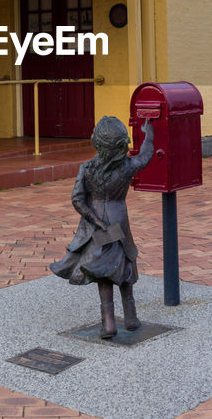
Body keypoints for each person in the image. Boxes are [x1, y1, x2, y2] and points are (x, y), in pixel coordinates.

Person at [50, 115, 155, 338]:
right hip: (119, 221)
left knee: (104, 268)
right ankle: (131, 317)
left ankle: (108, 323)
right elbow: (145, 156)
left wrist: (95, 221)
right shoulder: (127, 166)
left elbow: (77, 199)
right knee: (125, 262)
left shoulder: (87, 169)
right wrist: (149, 134)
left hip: (99, 226)